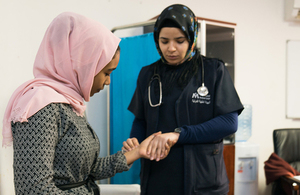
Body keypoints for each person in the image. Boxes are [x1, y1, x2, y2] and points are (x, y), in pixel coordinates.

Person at [2, 12, 172, 195]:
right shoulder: (40, 106)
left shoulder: (70, 102)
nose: (108, 82)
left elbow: (85, 170)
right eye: (106, 73)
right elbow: (33, 190)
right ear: (84, 65)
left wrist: (137, 152)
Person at [122, 4, 244, 195]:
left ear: (192, 38)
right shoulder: (148, 74)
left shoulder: (213, 71)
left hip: (203, 178)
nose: (171, 49)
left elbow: (229, 123)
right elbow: (141, 119)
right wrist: (135, 141)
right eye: (164, 41)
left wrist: (178, 135)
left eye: (180, 41)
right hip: (158, 177)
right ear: (157, 40)